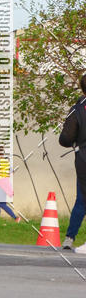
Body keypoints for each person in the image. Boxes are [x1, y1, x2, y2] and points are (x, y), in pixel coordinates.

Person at [58, 73, 86, 251]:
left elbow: (65, 138)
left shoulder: (77, 110)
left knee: (82, 199)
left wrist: (75, 142)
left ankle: (69, 237)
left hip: (84, 159)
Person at [0, 145, 20, 222]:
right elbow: (12, 171)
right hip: (3, 185)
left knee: (1, 204)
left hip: (0, 185)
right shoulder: (4, 162)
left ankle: (15, 218)